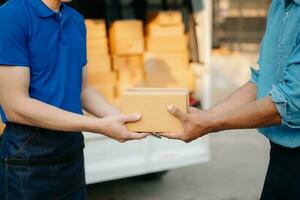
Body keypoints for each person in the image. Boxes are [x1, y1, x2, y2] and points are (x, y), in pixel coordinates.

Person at [0, 0, 149, 199]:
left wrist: (128, 119)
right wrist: (99, 125)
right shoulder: (11, 15)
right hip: (29, 154)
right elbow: (15, 106)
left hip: (72, 148)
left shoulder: (76, 20)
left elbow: (83, 90)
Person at [160, 0, 300, 199]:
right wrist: (206, 115)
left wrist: (209, 123)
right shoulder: (279, 5)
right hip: (281, 156)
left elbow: (291, 101)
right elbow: (263, 81)